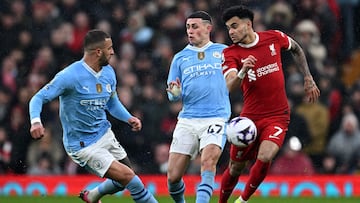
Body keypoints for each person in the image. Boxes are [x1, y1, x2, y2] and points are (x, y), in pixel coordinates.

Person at [29, 29, 158, 203]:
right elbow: (38, 98)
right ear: (98, 52)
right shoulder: (69, 76)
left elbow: (111, 102)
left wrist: (129, 118)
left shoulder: (109, 72)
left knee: (123, 180)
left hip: (104, 134)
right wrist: (36, 122)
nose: (113, 52)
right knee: (131, 179)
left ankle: (93, 195)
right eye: (110, 48)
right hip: (83, 145)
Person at [219, 6, 320, 203]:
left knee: (266, 155)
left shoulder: (273, 37)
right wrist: (242, 71)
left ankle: (243, 200)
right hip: (249, 119)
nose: (230, 32)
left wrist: (308, 77)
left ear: (248, 24)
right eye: (228, 28)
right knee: (235, 168)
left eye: (234, 26)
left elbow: (297, 48)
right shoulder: (231, 53)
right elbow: (230, 85)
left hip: (277, 116)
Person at [166, 11, 231, 203]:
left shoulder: (224, 51)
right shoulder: (180, 58)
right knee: (173, 177)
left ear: (208, 28)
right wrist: (174, 93)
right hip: (188, 119)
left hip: (217, 117)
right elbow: (171, 94)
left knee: (208, 161)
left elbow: (235, 78)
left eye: (194, 26)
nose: (190, 31)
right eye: (187, 27)